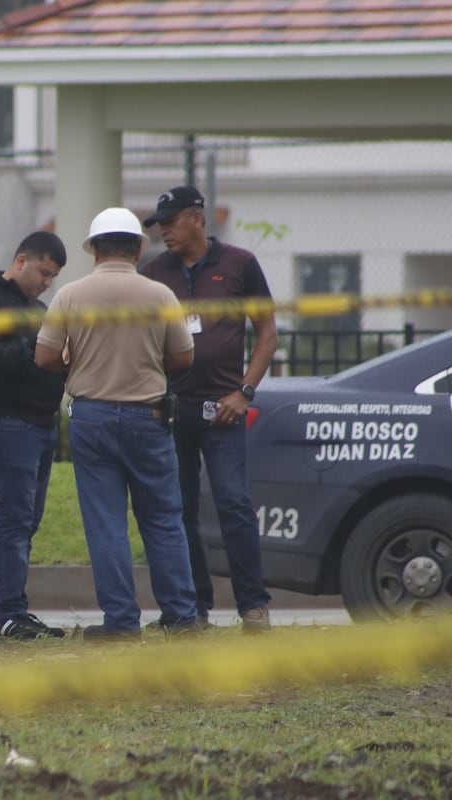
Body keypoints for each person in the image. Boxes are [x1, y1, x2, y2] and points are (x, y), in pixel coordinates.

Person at [34, 208, 199, 639]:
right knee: (163, 519)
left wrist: (77, 362)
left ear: (94, 252)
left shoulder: (70, 295)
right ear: (140, 248)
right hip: (149, 416)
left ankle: (121, 622)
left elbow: (45, 357)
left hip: (93, 417)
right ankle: (182, 617)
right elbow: (184, 357)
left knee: (107, 523)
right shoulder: (160, 295)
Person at [139, 186, 279, 633]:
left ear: (196, 219)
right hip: (171, 410)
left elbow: (268, 333)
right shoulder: (154, 272)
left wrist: (244, 393)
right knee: (177, 510)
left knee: (233, 503)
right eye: (158, 223)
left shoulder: (239, 264)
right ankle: (192, 609)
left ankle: (253, 606)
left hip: (224, 411)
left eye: (170, 221)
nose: (163, 230)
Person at [0, 231, 69, 640]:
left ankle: (16, 608)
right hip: (7, 420)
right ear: (21, 260)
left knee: (28, 520)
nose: (46, 282)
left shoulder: (40, 308)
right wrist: (38, 348)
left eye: (53, 276)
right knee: (15, 519)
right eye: (43, 272)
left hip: (41, 422)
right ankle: (7, 613)